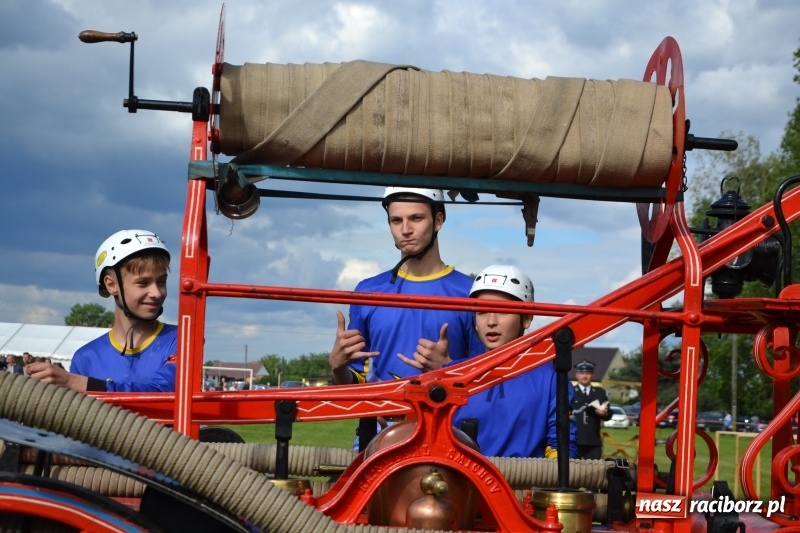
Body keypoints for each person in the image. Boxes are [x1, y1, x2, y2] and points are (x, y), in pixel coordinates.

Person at [330, 187, 483, 385]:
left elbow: (484, 381)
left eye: (416, 218)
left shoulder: (471, 292)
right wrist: (337, 366)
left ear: (438, 221)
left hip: (445, 415)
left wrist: (448, 369)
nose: (405, 230)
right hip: (380, 415)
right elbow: (353, 383)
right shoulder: (367, 291)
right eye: (396, 221)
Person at [27, 229, 177, 392]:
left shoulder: (183, 340)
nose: (156, 293)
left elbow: (160, 392)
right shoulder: (85, 358)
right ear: (111, 285)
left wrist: (76, 383)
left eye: (162, 282)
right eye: (143, 283)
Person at [452, 265, 578, 458]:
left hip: (521, 487)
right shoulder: (451, 374)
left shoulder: (552, 379)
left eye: (503, 311)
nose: (491, 321)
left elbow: (562, 451)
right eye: (482, 312)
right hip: (461, 486)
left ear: (527, 318)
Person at [572, 359, 612, 459]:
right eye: (582, 373)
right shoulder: (571, 392)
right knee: (572, 471)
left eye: (588, 373)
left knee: (593, 472)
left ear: (592, 375)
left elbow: (609, 415)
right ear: (577, 375)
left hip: (593, 441)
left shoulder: (600, 393)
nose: (585, 376)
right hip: (575, 440)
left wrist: (605, 414)